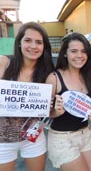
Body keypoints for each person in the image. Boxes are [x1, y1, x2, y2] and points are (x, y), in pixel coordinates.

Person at [0, 22, 55, 171]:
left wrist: (53, 108)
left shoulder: (48, 73)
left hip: (33, 136)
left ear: (44, 46)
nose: (33, 46)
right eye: (28, 40)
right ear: (19, 43)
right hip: (2, 139)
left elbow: (50, 113)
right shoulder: (4, 63)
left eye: (39, 42)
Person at [45, 32, 91, 171]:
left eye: (83, 51)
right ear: (65, 53)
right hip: (62, 138)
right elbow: (43, 113)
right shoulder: (54, 78)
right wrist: (56, 112)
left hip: (85, 134)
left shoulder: (89, 76)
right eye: (74, 51)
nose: (79, 56)